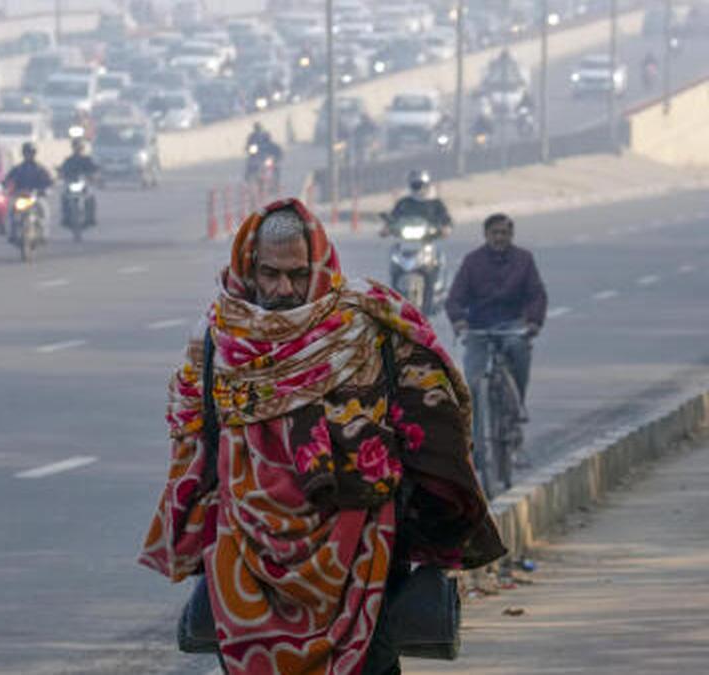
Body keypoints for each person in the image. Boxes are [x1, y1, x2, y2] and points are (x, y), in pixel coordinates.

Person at [140, 199, 505, 675]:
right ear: (248, 267)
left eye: (296, 274)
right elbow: (193, 438)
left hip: (363, 549)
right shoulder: (217, 337)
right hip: (247, 552)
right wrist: (192, 531)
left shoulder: (368, 322)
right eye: (270, 274)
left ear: (319, 264)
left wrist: (437, 516)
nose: (283, 288)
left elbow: (433, 417)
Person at [445, 213, 548, 421]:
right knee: (473, 381)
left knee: (519, 350)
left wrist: (533, 322)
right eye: (495, 233)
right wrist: (458, 320)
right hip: (478, 328)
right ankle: (476, 435)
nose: (499, 237)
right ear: (486, 235)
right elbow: (454, 298)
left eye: (504, 233)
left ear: (511, 235)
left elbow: (536, 295)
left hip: (512, 325)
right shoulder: (472, 262)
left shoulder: (524, 260)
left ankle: (518, 403)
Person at [3, 142, 54, 240]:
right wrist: (5, 187)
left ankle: (44, 234)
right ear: (23, 154)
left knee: (44, 210)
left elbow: (49, 181)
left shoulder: (40, 168)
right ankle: (12, 233)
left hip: (35, 197)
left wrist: (45, 189)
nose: (28, 155)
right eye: (27, 153)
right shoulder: (18, 169)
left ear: (34, 154)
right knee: (11, 212)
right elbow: (8, 179)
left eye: (30, 153)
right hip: (21, 196)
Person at [389, 170, 453, 234]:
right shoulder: (404, 203)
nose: (418, 188)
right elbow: (394, 216)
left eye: (420, 185)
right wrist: (387, 227)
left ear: (426, 185)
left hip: (429, 236)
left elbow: (445, 217)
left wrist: (446, 227)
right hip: (405, 237)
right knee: (396, 244)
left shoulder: (435, 203)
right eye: (415, 186)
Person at [58, 137, 99, 226]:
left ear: (82, 148)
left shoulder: (87, 159)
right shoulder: (69, 160)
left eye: (79, 147)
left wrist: (93, 175)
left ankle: (91, 217)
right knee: (64, 197)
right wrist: (61, 173)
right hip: (71, 183)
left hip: (83, 183)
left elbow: (93, 169)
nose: (77, 149)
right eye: (76, 147)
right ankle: (65, 217)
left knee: (91, 197)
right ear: (73, 148)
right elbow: (63, 170)